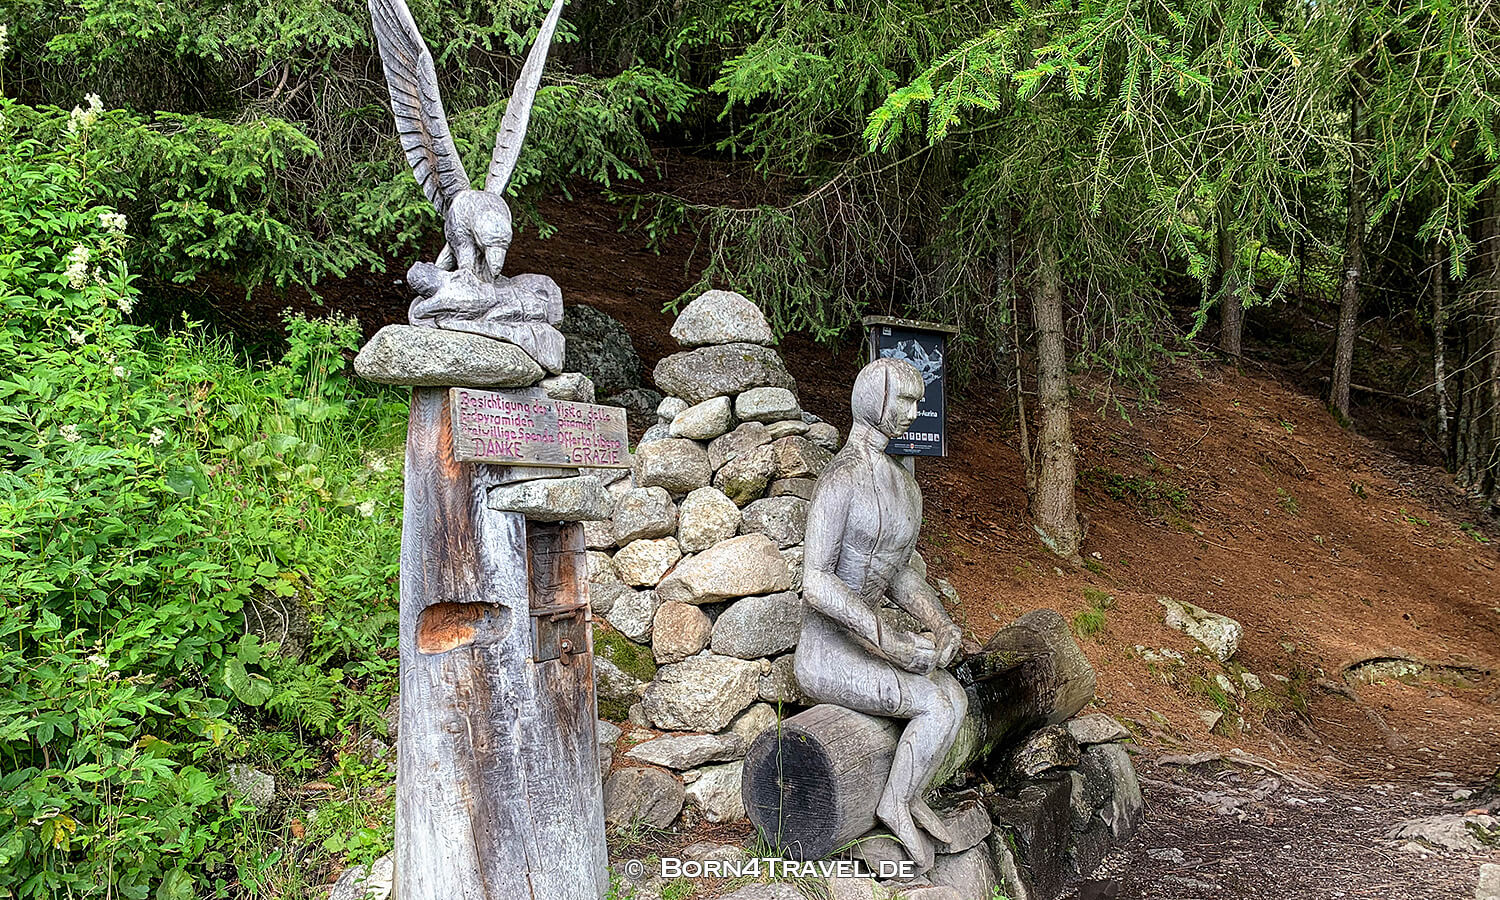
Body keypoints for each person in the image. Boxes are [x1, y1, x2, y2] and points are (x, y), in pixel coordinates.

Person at [794, 357, 968, 873]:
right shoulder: (840, 479)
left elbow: (900, 575)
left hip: (866, 642)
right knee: (937, 703)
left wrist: (940, 623)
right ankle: (893, 805)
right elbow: (815, 580)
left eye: (918, 401)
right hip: (827, 651)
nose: (914, 412)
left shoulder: (904, 486)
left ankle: (908, 796)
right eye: (904, 401)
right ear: (874, 400)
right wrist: (881, 632)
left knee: (953, 697)